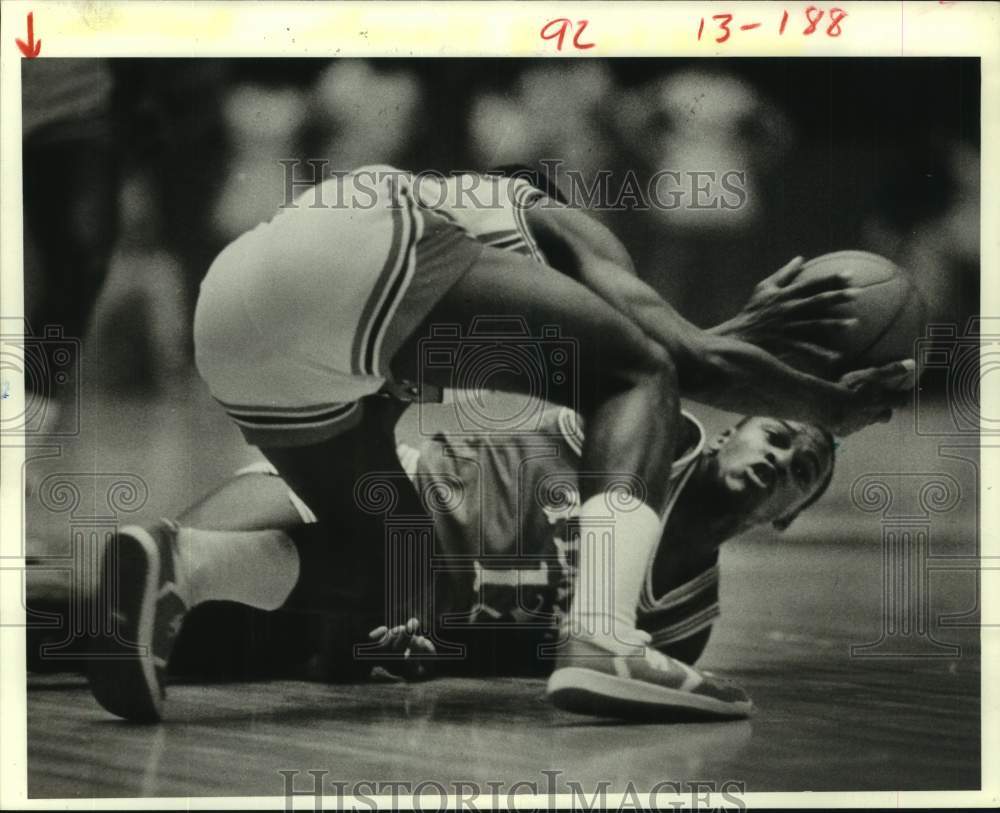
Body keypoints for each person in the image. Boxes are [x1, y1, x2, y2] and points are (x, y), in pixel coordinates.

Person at [88, 164, 911, 722]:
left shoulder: (448, 317)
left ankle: (180, 561)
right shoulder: (558, 227)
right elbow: (664, 363)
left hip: (233, 324)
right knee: (640, 370)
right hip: (353, 261)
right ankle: (604, 632)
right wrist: (829, 405)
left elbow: (640, 353)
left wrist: (729, 345)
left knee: (389, 566)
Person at [85, 397, 835, 721]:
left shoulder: (684, 626)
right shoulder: (650, 437)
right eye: (775, 433)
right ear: (734, 426)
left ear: (789, 518)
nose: (779, 456)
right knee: (117, 599)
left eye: (802, 467)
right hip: (366, 510)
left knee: (129, 635)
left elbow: (520, 667)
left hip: (364, 623)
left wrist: (428, 653)